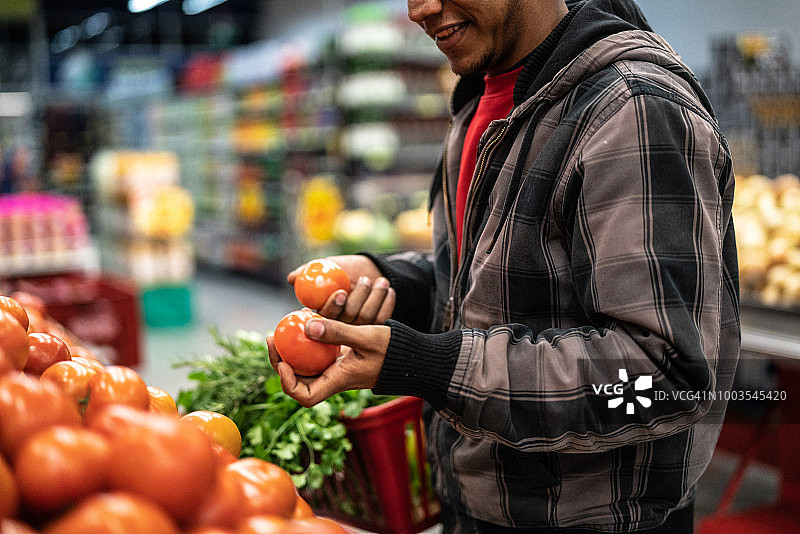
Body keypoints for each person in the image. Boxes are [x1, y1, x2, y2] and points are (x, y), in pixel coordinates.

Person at [267, 0, 740, 532]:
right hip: (479, 500)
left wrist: (425, 365)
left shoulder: (631, 110)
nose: (420, 9)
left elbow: (663, 373)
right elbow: (498, 281)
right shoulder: (480, 103)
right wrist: (392, 281)